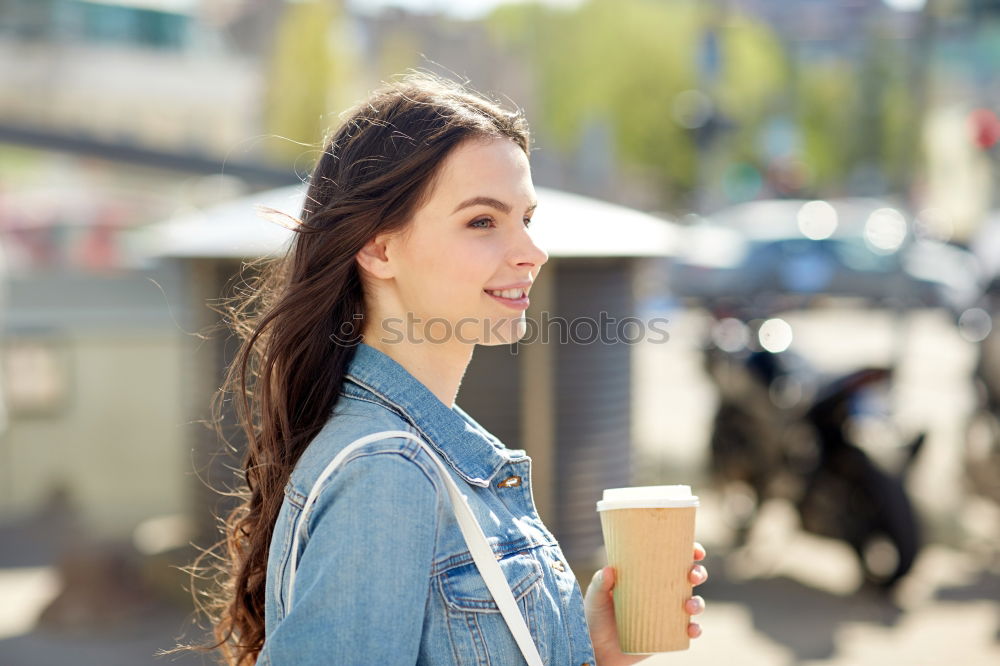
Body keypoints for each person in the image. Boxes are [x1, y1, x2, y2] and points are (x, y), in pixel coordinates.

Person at [199, 72, 707, 665]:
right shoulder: (388, 470)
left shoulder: (414, 452)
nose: (532, 252)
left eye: (527, 219)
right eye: (483, 221)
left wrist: (590, 649)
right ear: (379, 249)